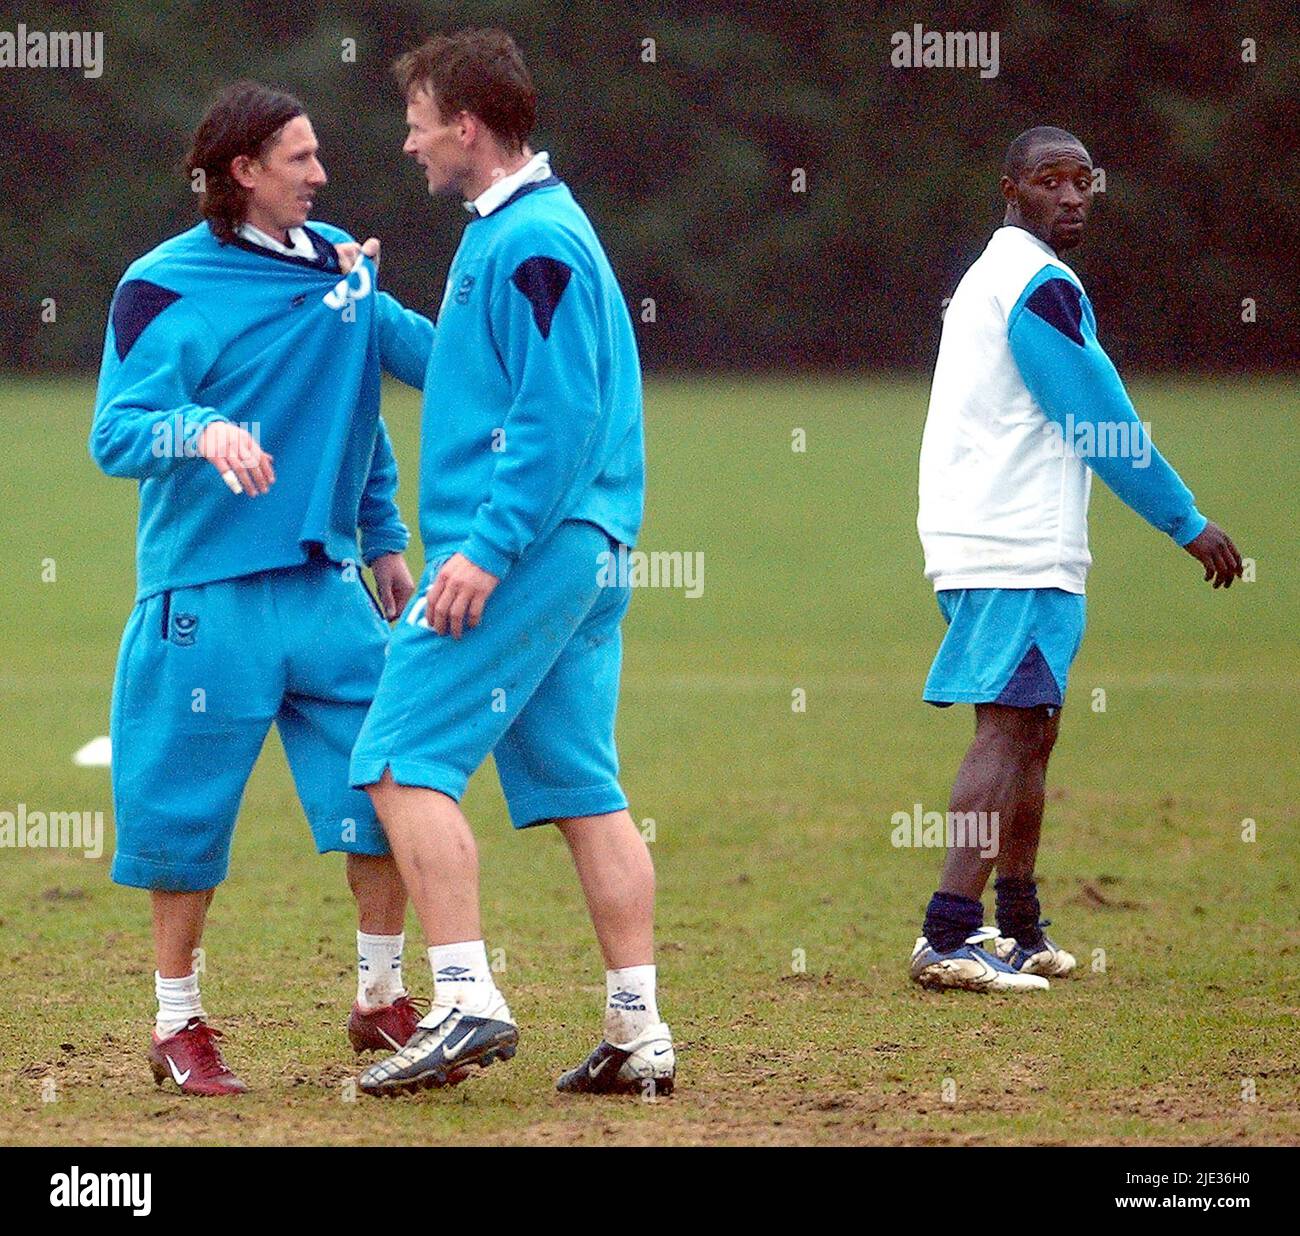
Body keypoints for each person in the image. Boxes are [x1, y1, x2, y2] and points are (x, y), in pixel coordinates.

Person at [90, 81, 435, 1093]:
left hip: (329, 592)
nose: (321, 176)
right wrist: (201, 429)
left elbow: (369, 404)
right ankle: (177, 1024)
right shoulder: (158, 285)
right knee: (182, 820)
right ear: (242, 172)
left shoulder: (343, 269)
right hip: (207, 596)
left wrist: (383, 540)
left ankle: (380, 1001)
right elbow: (115, 434)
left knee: (391, 788)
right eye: (300, 159)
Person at [346, 29, 673, 1098]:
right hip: (579, 547)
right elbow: (469, 374)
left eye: (416, 123)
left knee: (398, 759)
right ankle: (637, 1031)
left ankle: (462, 999)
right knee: (584, 786)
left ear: (466, 127)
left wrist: (485, 550)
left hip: (529, 544)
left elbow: (557, 412)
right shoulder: (519, 233)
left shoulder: (534, 240)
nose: (408, 146)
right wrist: (367, 311)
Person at [911, 125, 1243, 992]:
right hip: (1013, 542)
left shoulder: (993, 276)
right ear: (1011, 189)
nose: (1071, 196)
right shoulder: (1037, 284)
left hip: (988, 536)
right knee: (1009, 725)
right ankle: (948, 934)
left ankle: (1017, 928)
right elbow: (1100, 418)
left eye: (1083, 181)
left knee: (1035, 726)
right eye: (1051, 181)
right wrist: (1186, 520)